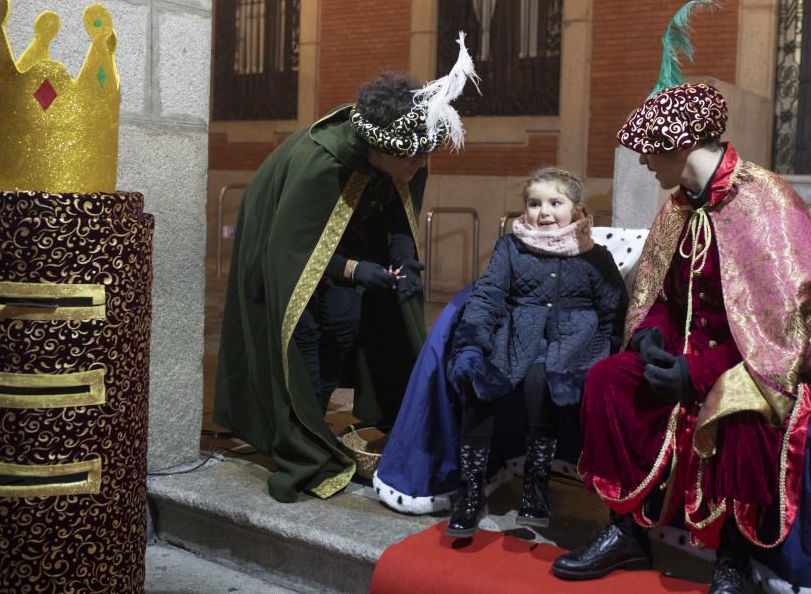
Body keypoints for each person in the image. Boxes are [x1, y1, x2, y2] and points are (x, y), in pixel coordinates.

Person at [550, 3, 811, 594]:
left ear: (679, 147)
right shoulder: (680, 206)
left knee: (743, 412)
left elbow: (787, 327)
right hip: (681, 353)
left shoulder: (766, 205)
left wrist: (696, 372)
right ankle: (625, 530)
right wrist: (652, 335)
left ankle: (733, 557)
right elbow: (660, 291)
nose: (640, 161)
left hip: (755, 366)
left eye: (647, 150)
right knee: (609, 378)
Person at [214, 36, 478, 503]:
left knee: (345, 325)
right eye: (413, 158)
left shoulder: (404, 154)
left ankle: (325, 426)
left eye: (425, 156)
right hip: (292, 265)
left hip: (344, 262)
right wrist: (357, 271)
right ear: (377, 150)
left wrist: (402, 259)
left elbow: (397, 212)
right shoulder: (322, 164)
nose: (421, 165)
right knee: (305, 344)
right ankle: (303, 440)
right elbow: (290, 253)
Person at [441, 167, 628, 537]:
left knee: (541, 383)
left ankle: (537, 484)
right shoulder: (510, 247)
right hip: (516, 337)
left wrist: (608, 355)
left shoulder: (596, 256)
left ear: (576, 209)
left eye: (555, 203)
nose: (544, 212)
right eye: (534, 203)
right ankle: (471, 487)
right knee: (481, 383)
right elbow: (489, 294)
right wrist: (472, 342)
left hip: (573, 342)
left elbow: (613, 309)